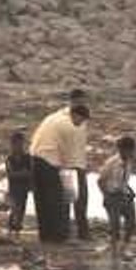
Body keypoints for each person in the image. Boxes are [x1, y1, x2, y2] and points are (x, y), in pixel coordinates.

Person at [29, 103, 91, 243]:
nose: (80, 124)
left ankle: (45, 236)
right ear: (76, 115)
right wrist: (73, 185)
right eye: (80, 121)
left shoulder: (54, 117)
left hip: (34, 158)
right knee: (58, 200)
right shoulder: (69, 126)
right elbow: (71, 160)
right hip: (49, 162)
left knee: (42, 201)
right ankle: (59, 237)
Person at [98, 136, 136, 257]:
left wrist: (129, 190)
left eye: (131, 150)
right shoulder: (111, 163)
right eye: (126, 150)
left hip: (125, 194)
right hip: (113, 196)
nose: (129, 153)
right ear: (121, 149)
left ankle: (124, 247)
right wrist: (106, 196)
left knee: (131, 222)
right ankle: (114, 249)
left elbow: (124, 180)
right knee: (115, 225)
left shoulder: (130, 161)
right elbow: (100, 181)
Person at [61, 89, 90, 240]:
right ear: (72, 101)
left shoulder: (83, 118)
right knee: (67, 200)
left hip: (80, 164)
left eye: (83, 101)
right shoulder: (63, 118)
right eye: (79, 101)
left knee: (82, 199)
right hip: (66, 165)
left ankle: (83, 233)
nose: (81, 104)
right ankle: (64, 233)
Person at [5, 131, 32, 237]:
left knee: (21, 208)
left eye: (20, 144)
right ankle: (11, 228)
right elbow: (11, 174)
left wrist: (21, 174)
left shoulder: (27, 158)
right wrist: (23, 173)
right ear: (12, 144)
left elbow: (30, 173)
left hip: (23, 188)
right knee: (15, 208)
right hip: (14, 188)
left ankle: (17, 230)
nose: (18, 146)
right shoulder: (9, 159)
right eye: (16, 144)